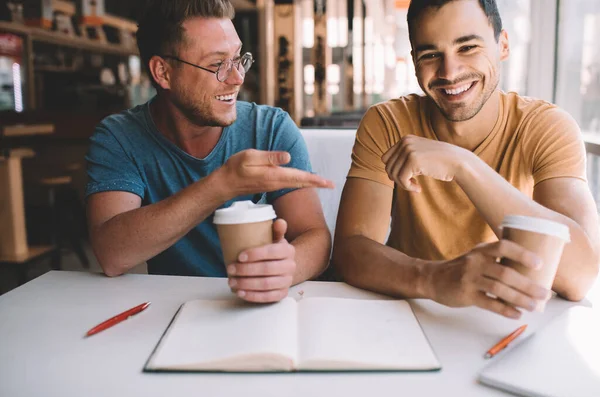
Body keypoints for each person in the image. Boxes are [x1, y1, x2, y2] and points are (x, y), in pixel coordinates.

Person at [333, 0, 600, 319]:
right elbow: (350, 251)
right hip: (412, 309)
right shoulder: (388, 122)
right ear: (414, 61)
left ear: (502, 44)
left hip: (512, 316)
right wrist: (432, 279)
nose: (449, 72)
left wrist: (464, 166)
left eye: (468, 47)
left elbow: (581, 276)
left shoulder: (546, 126)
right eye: (430, 54)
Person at [85, 0, 334, 303]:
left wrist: (286, 268)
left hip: (261, 309)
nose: (238, 77)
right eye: (218, 65)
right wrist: (221, 185)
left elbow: (317, 239)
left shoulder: (270, 128)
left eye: (238, 58)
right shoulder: (119, 137)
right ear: (163, 72)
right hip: (173, 311)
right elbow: (112, 255)